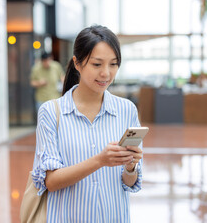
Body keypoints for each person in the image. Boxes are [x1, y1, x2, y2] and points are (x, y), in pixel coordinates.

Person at [32, 25, 143, 222]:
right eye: (97, 64)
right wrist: (100, 160)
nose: (106, 74)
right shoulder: (51, 112)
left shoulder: (127, 110)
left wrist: (130, 166)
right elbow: (51, 181)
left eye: (113, 64)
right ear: (77, 63)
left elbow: (130, 182)